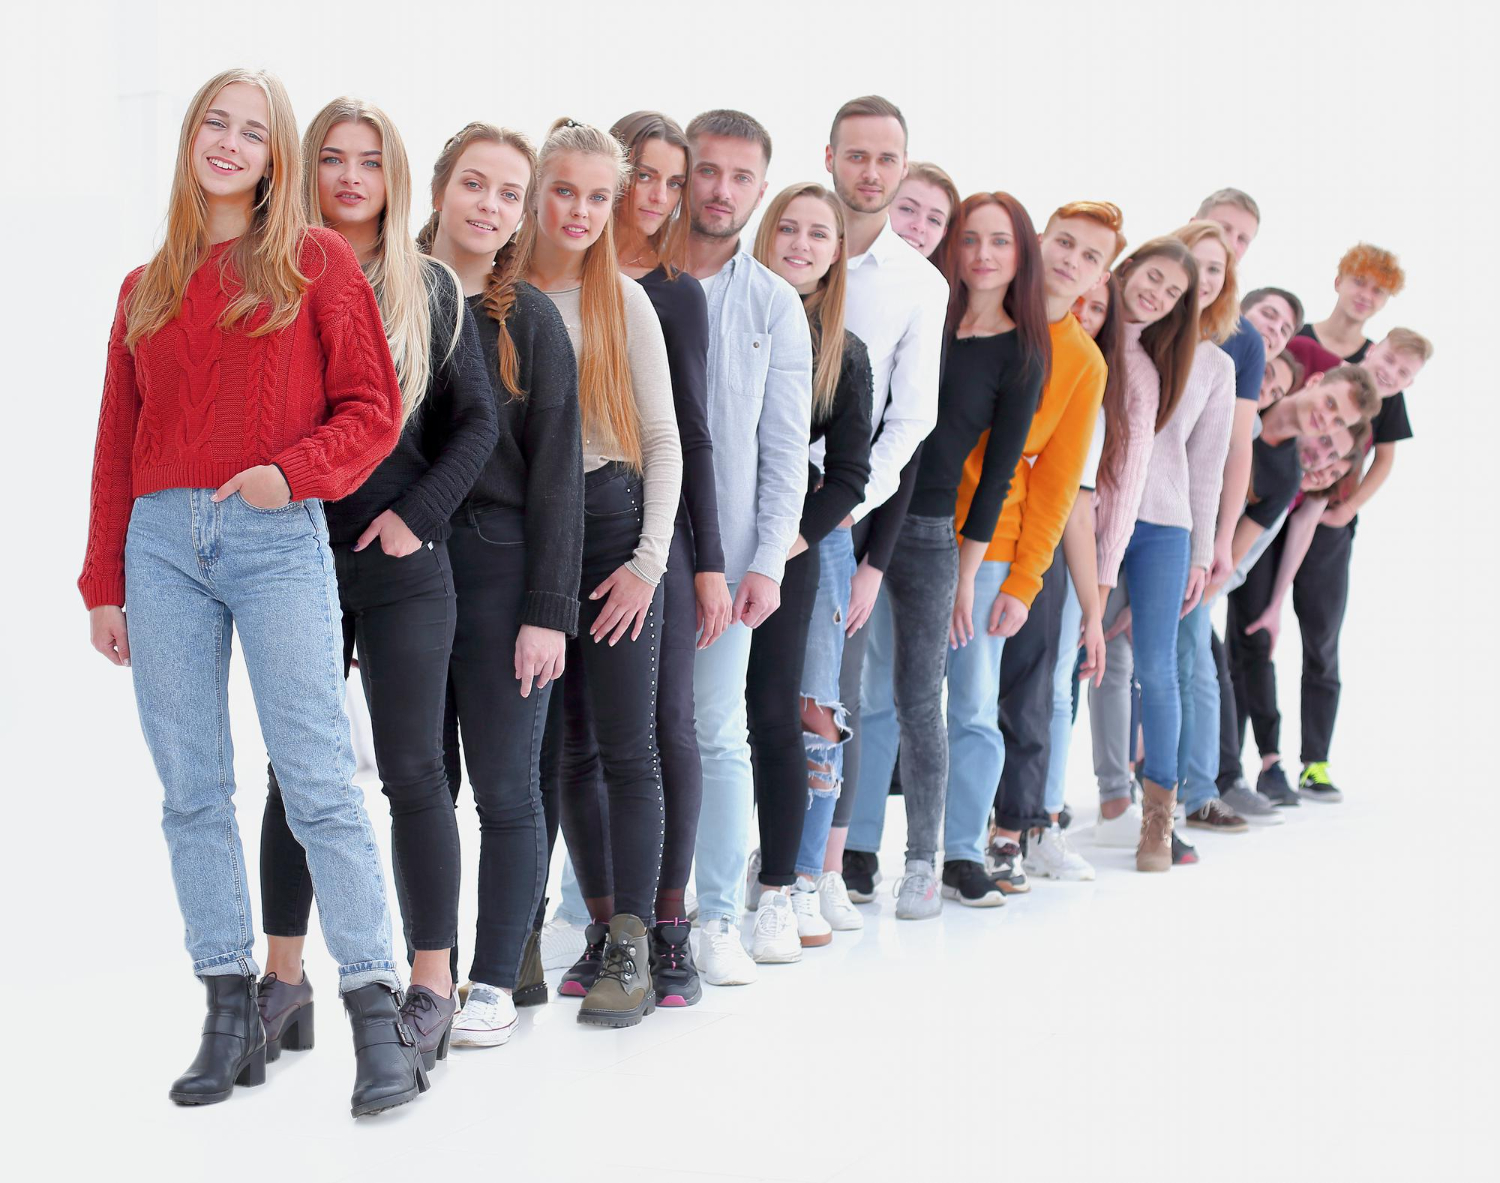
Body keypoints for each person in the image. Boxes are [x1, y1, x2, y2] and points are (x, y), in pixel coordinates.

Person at [81, 69, 425, 1116]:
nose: (230, 143)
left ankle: (377, 1013)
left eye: (253, 131)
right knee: (191, 786)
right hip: (160, 545)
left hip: (275, 534)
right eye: (214, 125)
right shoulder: (144, 285)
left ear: (277, 157)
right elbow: (112, 448)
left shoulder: (314, 262)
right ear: (191, 142)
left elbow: (373, 409)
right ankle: (229, 1006)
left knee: (318, 775)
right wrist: (104, 580)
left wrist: (294, 474)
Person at [257, 97, 498, 1074]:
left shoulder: (431, 288)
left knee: (413, 773)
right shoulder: (269, 283)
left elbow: (474, 426)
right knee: (298, 776)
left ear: (395, 180)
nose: (351, 177)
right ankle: (281, 981)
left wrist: (417, 518)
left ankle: (431, 982)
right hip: (295, 559)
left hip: (403, 564)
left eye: (370, 161)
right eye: (332, 159)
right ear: (304, 172)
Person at [421, 122, 586, 1046]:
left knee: (507, 788)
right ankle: (429, 972)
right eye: (473, 184)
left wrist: (547, 613)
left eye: (508, 193)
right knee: (421, 784)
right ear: (440, 187)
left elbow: (558, 475)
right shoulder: (392, 296)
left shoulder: (529, 320)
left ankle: (494, 979)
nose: (489, 205)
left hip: (502, 565)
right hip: (406, 566)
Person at [522, 118, 682, 1028]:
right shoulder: (498, 294)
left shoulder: (624, 302)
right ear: (538, 191)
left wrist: (647, 564)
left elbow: (663, 441)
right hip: (530, 538)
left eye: (597, 195)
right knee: (555, 748)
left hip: (615, 529)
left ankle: (632, 940)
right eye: (564, 191)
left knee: (627, 744)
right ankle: (579, 925)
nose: (580, 211)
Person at [848, 190, 1048, 917]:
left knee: (934, 701)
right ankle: (856, 850)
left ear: (1020, 254)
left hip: (938, 533)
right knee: (865, 696)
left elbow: (997, 478)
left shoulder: (1022, 352)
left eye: (1000, 242)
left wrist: (969, 576)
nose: (983, 254)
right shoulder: (923, 310)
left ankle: (939, 856)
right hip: (868, 518)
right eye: (971, 240)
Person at [942, 201, 1125, 894]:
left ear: (1099, 276)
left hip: (1003, 549)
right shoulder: (973, 309)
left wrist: (1025, 583)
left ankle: (987, 842)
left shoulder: (1081, 361)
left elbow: (1059, 488)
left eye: (1091, 257)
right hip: (921, 526)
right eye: (1065, 243)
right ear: (1039, 241)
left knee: (994, 699)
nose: (1072, 260)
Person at [682, 109, 813, 986]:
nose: (720, 190)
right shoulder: (628, 275)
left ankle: (717, 916)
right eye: (706, 171)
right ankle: (587, 911)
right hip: (624, 547)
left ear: (759, 190)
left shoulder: (774, 304)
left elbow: (783, 447)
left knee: (716, 732)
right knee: (603, 735)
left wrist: (765, 561)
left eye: (739, 176)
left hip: (726, 562)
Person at [816, 96, 949, 906]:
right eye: (857, 155)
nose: (870, 171)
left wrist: (847, 508)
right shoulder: (783, 242)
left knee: (832, 698)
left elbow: (914, 418)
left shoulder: (918, 284)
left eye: (885, 159)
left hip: (837, 515)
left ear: (901, 168)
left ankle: (822, 872)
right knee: (724, 705)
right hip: (741, 505)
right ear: (827, 154)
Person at [744, 182, 873, 960]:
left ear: (837, 252)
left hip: (792, 549)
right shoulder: (723, 314)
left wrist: (787, 542)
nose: (799, 242)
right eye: (786, 227)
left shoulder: (846, 354)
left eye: (818, 233)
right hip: (711, 539)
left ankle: (786, 882)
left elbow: (852, 476)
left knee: (779, 712)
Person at [1281, 244, 1421, 801]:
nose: (1366, 295)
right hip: (1271, 509)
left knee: (1321, 640)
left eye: (1379, 291)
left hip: (1328, 527)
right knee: (1250, 635)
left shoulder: (1380, 367)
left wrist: (1347, 508)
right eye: (1360, 282)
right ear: (1339, 280)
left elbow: (1385, 455)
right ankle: (1239, 765)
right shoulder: (1300, 342)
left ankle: (1315, 761)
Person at [1085, 235, 1202, 872]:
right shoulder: (1083, 327)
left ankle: (1158, 820)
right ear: (1126, 269)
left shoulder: (1148, 364)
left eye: (1173, 293)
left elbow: (1130, 478)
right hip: (1085, 520)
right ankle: (1036, 810)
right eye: (1152, 277)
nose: (1157, 294)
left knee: (1155, 669)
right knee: (1073, 662)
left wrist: (1104, 572)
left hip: (1156, 528)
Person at [888, 161, 960, 262]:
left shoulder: (936, 278)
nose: (920, 226)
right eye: (908, 209)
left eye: (934, 220)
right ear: (883, 207)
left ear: (943, 233)